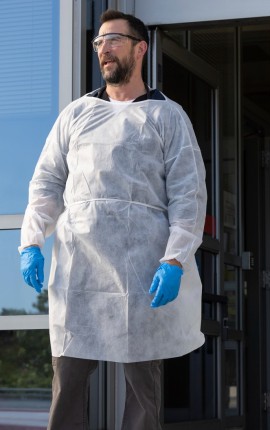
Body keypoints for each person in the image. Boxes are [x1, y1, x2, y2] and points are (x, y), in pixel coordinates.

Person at [18, 9, 206, 430]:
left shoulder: (166, 116)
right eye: (99, 42)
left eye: (114, 40)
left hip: (142, 268)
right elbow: (47, 182)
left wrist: (175, 259)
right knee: (68, 380)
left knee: (142, 387)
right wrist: (31, 240)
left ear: (140, 49)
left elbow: (188, 195)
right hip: (79, 266)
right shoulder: (76, 114)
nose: (104, 49)